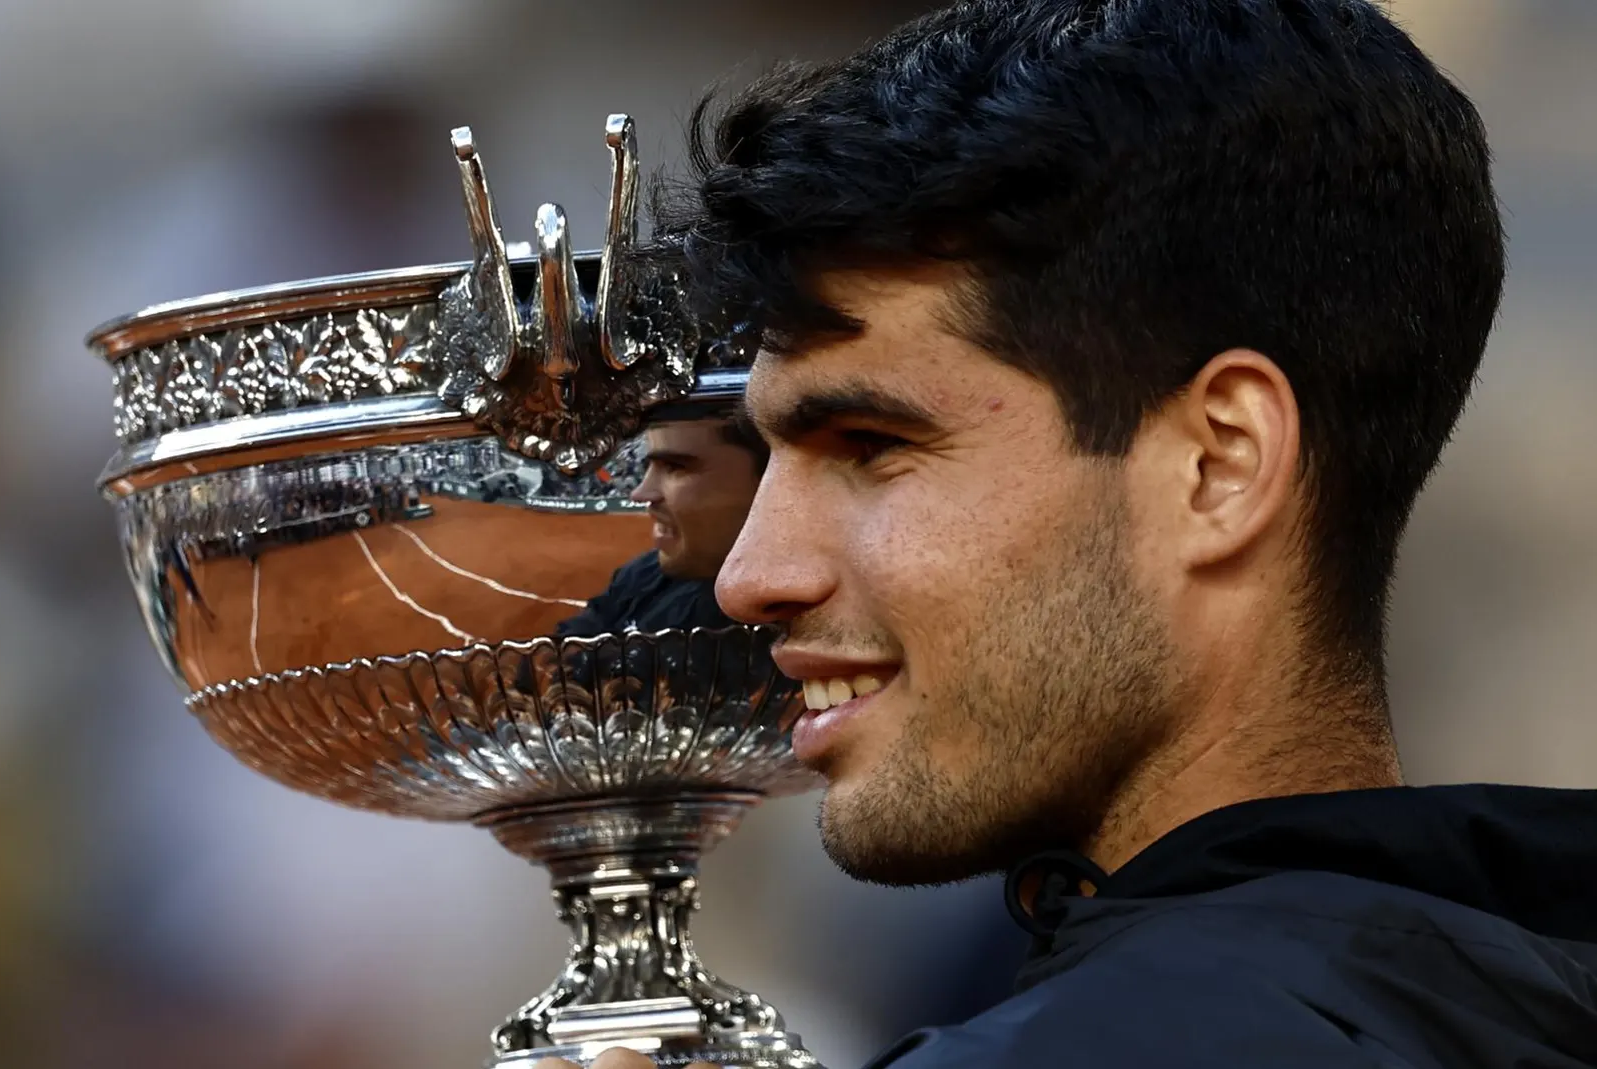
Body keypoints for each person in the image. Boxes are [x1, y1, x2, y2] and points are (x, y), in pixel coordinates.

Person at [537, 1, 1597, 1067]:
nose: (750, 576)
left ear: (1218, 463)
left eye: (872, 445)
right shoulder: (1513, 986)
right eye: (767, 460)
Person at [555, 414, 766, 638]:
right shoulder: (642, 573)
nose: (640, 493)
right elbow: (584, 629)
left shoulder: (781, 640)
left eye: (675, 466)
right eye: (650, 466)